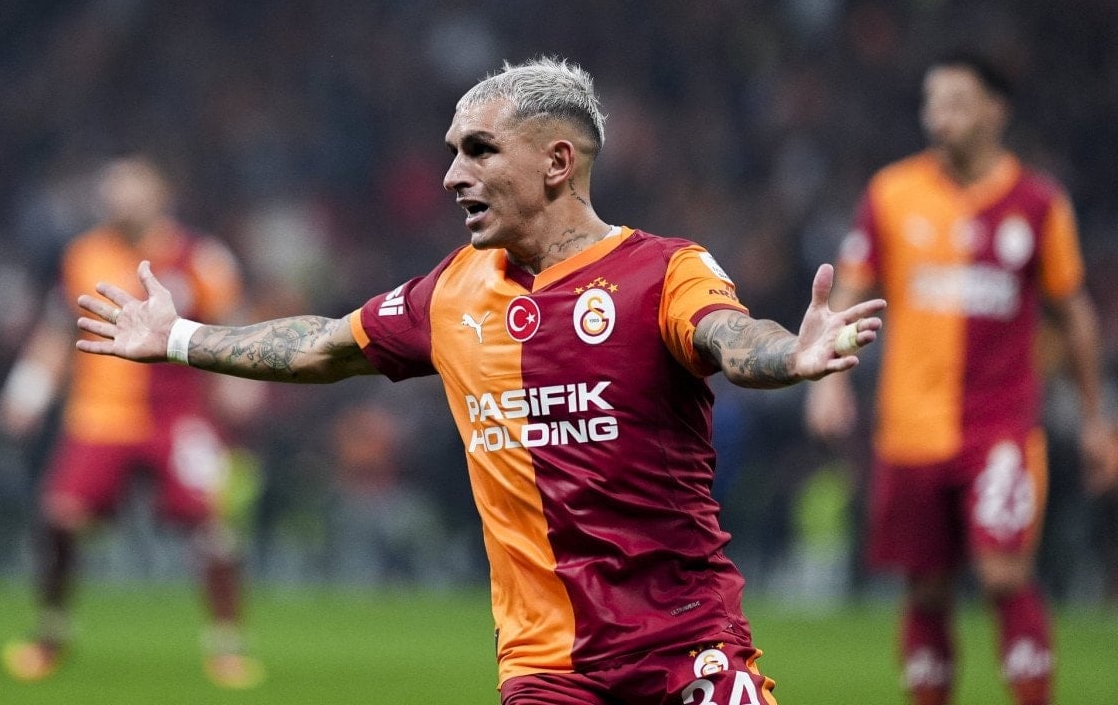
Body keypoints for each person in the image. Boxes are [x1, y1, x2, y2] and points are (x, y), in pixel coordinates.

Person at [74, 57, 885, 705]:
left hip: (685, 646)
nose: (452, 176)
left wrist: (791, 355)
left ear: (557, 162)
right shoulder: (452, 291)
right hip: (546, 664)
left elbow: (731, 336)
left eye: (479, 150)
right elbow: (321, 346)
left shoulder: (662, 271)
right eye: (453, 152)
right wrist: (177, 337)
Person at [805, 53, 1118, 705]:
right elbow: (850, 289)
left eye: (955, 102)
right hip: (909, 428)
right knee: (926, 588)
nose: (938, 117)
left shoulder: (1037, 203)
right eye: (932, 102)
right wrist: (829, 383)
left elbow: (1073, 314)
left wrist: (1095, 420)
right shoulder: (892, 193)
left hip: (1001, 426)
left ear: (995, 111)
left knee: (1003, 573)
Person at [0, 156, 265, 689]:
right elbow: (57, 329)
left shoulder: (201, 258)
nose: (119, 199)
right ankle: (51, 634)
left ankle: (227, 645)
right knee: (58, 519)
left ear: (161, 195)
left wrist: (242, 382)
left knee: (214, 530)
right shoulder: (84, 254)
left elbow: (233, 324)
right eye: (112, 189)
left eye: (131, 188)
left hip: (179, 415)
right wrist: (26, 391)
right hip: (101, 415)